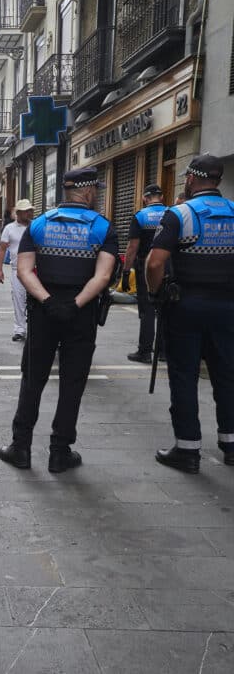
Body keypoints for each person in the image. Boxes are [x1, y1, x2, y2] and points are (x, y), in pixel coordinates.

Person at [0, 167, 118, 473]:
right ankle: (59, 452)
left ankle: (20, 447)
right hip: (81, 313)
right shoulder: (102, 227)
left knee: (33, 378)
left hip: (43, 312)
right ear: (89, 192)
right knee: (72, 381)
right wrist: (74, 304)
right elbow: (103, 276)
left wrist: (49, 301)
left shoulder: (38, 224)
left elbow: (24, 271)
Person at [146, 154, 234, 474]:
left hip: (186, 306)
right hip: (227, 307)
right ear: (219, 181)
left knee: (184, 375)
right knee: (228, 374)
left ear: (192, 180)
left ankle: (187, 448)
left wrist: (156, 293)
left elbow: (155, 263)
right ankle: (231, 444)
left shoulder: (179, 214)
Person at [122, 184, 167, 363]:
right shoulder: (172, 213)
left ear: (145, 198)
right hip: (167, 267)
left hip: (146, 268)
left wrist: (126, 273)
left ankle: (145, 351)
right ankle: (162, 351)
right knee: (164, 309)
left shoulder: (140, 216)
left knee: (147, 310)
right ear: (161, 197)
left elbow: (132, 247)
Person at [0, 199, 33, 342]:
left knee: (35, 300)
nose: (29, 213)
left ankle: (34, 328)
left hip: (35, 270)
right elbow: (2, 249)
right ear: (18, 213)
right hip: (17, 269)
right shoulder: (9, 228)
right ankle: (20, 329)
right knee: (18, 299)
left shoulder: (35, 226)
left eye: (30, 210)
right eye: (26, 211)